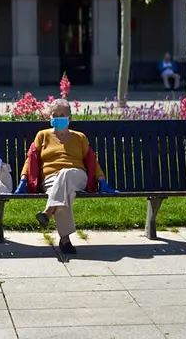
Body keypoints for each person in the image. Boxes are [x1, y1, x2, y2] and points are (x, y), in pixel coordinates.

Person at [14, 99, 115, 254]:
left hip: (77, 176)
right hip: (50, 179)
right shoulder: (42, 136)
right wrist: (23, 179)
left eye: (62, 114)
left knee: (65, 174)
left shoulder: (79, 137)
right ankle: (65, 241)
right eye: (55, 114)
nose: (58, 117)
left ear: (70, 117)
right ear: (50, 117)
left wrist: (102, 180)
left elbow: (91, 159)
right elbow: (31, 158)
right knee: (62, 192)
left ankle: (48, 211)